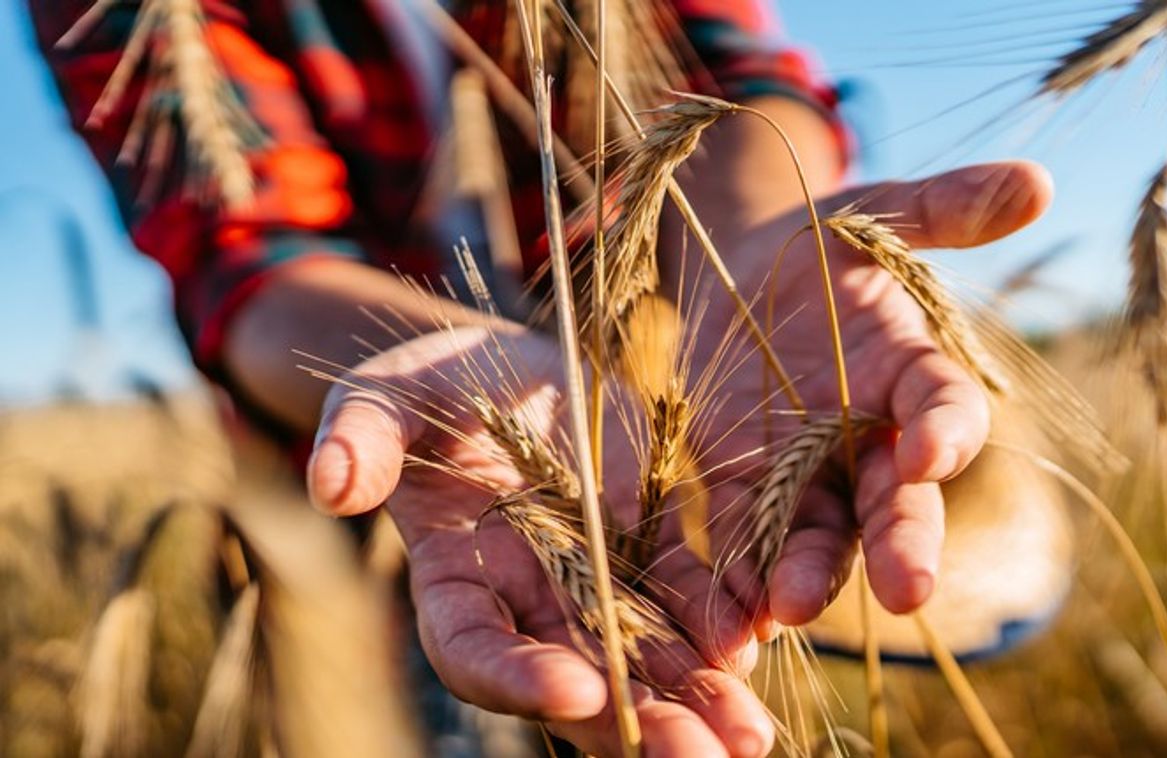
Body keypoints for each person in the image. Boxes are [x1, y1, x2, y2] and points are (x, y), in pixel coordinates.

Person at [30, 1, 1053, 755]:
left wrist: (749, 255)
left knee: (698, 665)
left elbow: (741, 80)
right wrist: (446, 379)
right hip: (369, 470)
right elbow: (245, 260)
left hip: (691, 405)